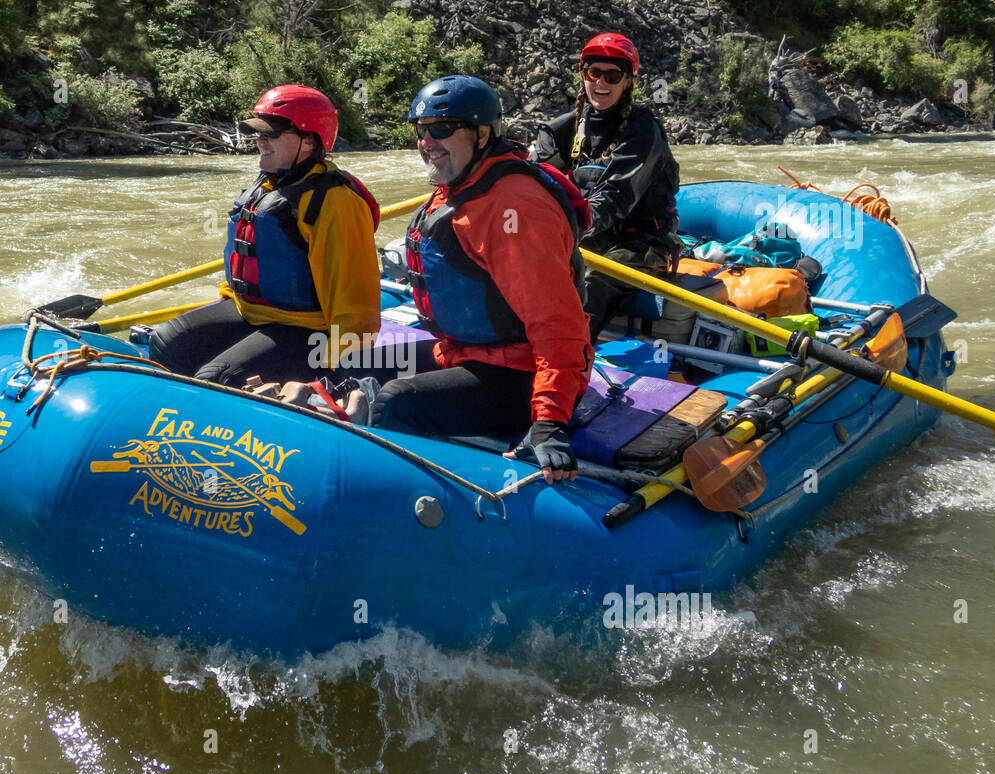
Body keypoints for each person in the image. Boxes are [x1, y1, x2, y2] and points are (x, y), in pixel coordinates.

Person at [371, 75, 593, 484]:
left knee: (397, 403)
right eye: (421, 131)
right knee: (352, 357)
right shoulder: (461, 182)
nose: (427, 142)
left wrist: (548, 420)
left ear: (483, 133)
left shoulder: (513, 207)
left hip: (522, 373)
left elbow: (557, 326)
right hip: (467, 352)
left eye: (442, 128)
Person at [147, 85, 381, 385]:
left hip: (307, 332)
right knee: (165, 343)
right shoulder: (270, 184)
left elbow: (355, 299)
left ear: (308, 141)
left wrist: (343, 372)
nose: (260, 141)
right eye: (258, 134)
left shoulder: (335, 201)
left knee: (220, 379)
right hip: (250, 312)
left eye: (270, 134)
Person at [531, 32, 681, 338]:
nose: (601, 83)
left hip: (638, 242)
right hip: (584, 236)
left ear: (627, 82)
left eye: (613, 76)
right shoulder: (562, 129)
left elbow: (616, 197)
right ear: (583, 75)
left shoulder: (643, 130)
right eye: (594, 73)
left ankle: (568, 355)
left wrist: (566, 231)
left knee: (590, 280)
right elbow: (538, 187)